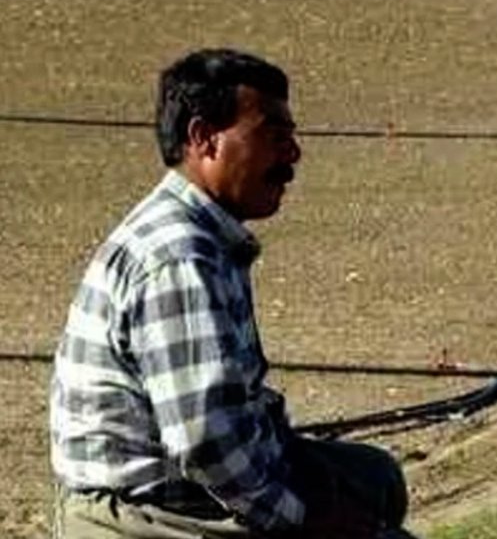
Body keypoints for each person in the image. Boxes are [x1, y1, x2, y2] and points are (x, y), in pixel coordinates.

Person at [50, 49, 413, 538]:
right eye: (273, 134)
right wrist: (305, 519)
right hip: (150, 506)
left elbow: (231, 415)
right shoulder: (179, 258)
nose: (292, 155)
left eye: (291, 136)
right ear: (204, 138)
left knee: (378, 479)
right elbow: (207, 443)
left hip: (192, 485)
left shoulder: (206, 236)